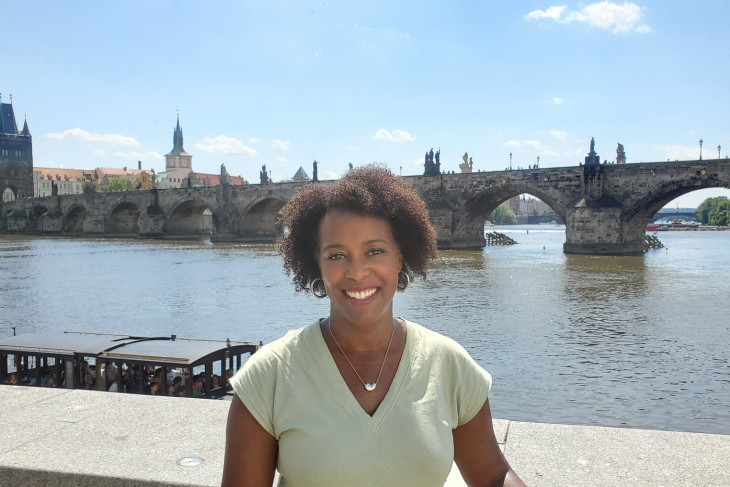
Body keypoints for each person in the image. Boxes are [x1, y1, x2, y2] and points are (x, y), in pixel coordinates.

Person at [222, 165, 525, 486]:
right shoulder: (269, 375)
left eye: (375, 251)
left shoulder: (449, 364)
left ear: (400, 255)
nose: (357, 271)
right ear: (317, 263)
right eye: (337, 255)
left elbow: (493, 476)